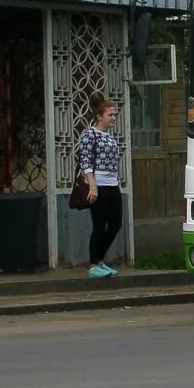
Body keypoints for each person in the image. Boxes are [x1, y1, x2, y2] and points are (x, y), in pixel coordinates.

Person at [76, 95, 124, 278]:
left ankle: (99, 260)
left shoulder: (110, 138)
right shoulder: (90, 134)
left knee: (116, 223)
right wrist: (92, 185)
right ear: (99, 116)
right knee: (99, 225)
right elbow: (85, 159)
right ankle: (93, 265)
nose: (113, 118)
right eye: (110, 114)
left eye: (115, 114)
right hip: (99, 184)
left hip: (112, 184)